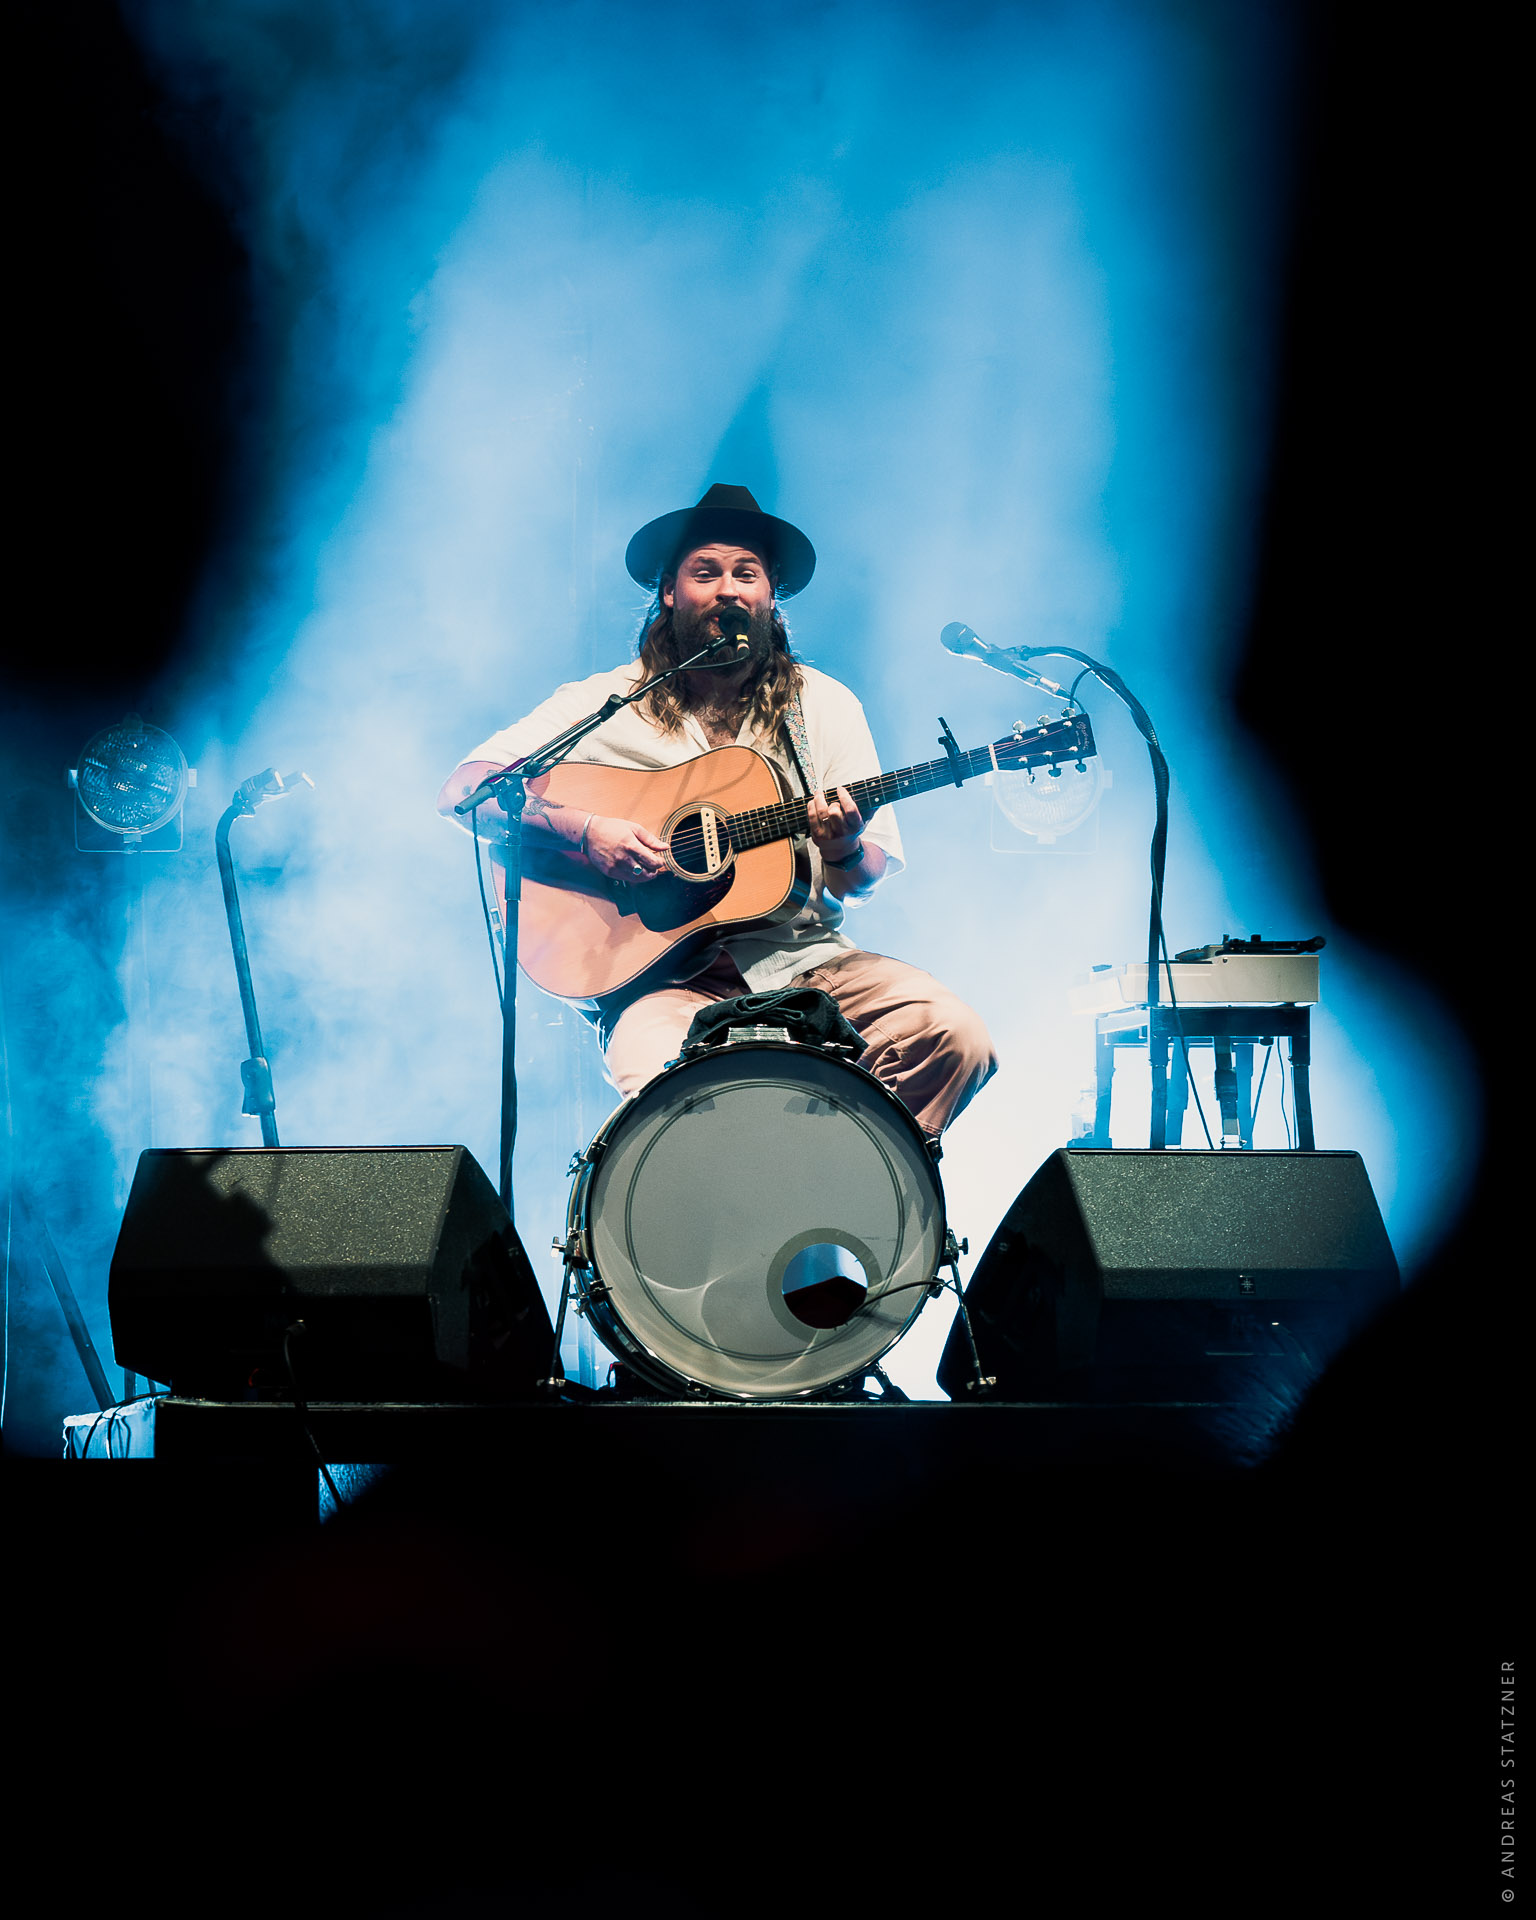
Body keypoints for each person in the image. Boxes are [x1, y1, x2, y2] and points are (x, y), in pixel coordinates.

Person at [437, 484, 995, 1138]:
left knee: (955, 1037)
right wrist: (586, 832)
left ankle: (840, 1173)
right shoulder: (603, 701)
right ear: (670, 593)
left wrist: (842, 847)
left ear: (770, 595)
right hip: (661, 986)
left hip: (807, 963)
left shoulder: (824, 705)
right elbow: (465, 793)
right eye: (706, 572)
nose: (728, 589)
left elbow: (862, 878)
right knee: (666, 1101)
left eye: (746, 573)